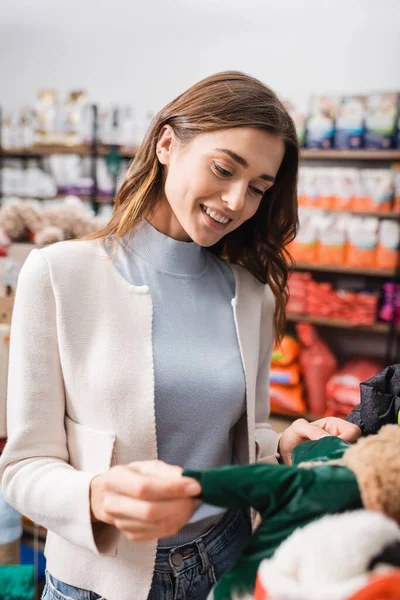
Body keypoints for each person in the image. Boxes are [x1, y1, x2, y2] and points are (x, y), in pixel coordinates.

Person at [0, 71, 361, 600]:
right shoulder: (60, 274)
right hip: (101, 580)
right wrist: (97, 496)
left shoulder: (250, 296)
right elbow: (24, 466)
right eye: (224, 169)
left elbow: (240, 439)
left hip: (227, 561)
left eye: (259, 188)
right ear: (167, 143)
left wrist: (281, 445)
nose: (237, 201)